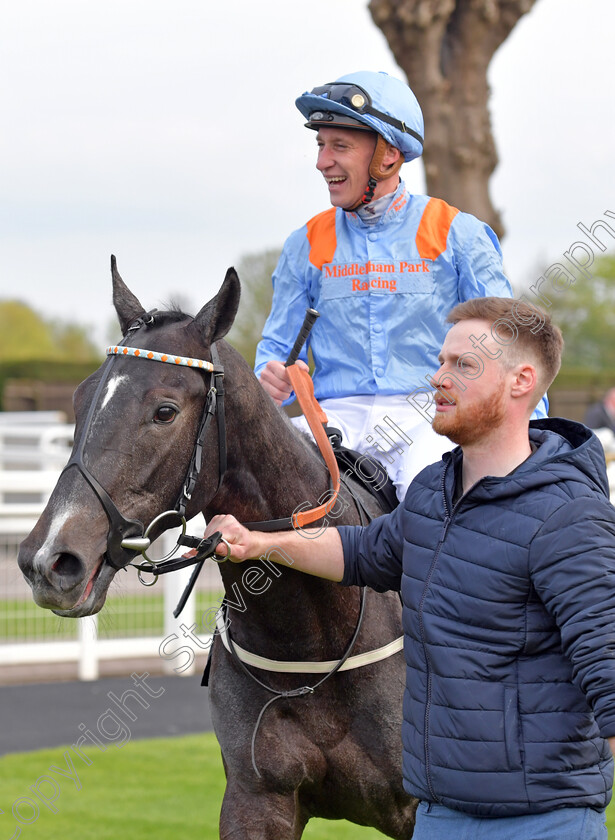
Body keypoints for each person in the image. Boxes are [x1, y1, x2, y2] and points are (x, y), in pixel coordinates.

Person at [207, 298, 615, 839]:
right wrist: (257, 542)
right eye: (441, 362)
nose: (438, 378)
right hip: (437, 818)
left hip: (541, 823)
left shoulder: (569, 518)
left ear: (521, 381)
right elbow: (360, 552)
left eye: (463, 366)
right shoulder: (431, 494)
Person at [254, 70, 547, 500]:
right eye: (320, 145)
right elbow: (275, 350)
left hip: (429, 413)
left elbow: (508, 343)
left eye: (339, 146)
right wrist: (269, 379)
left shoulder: (458, 234)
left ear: (388, 156)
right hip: (333, 418)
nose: (322, 162)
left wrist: (535, 433)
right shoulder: (305, 243)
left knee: (426, 497)